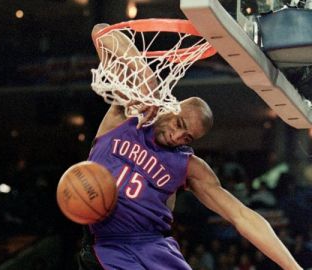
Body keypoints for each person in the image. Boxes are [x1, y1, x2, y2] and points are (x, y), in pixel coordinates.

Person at [77, 23, 302, 270]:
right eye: (179, 123)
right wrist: (143, 72)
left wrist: (293, 267)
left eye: (188, 137)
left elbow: (241, 216)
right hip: (108, 245)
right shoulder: (126, 115)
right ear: (170, 107)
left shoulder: (188, 166)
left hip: (154, 246)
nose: (178, 136)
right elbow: (101, 31)